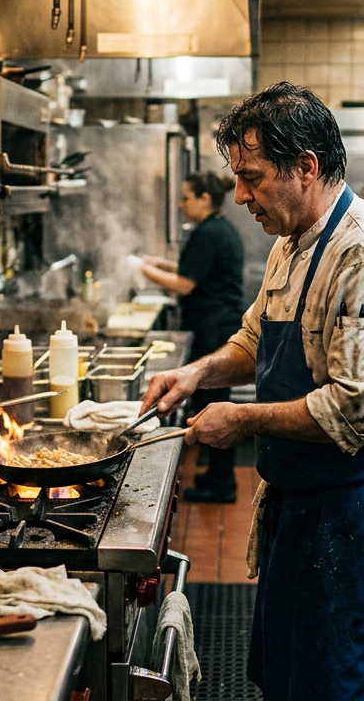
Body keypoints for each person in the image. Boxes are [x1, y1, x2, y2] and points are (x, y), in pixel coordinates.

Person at [140, 82, 364, 701]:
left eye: (252, 177)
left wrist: (243, 423)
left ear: (306, 168)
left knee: (347, 686)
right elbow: (254, 338)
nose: (240, 195)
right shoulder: (290, 244)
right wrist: (198, 374)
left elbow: (357, 409)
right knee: (294, 680)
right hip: (304, 502)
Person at [138, 173, 246, 503]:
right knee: (209, 400)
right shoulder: (217, 228)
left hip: (212, 326)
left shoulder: (209, 232)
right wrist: (159, 263)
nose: (181, 204)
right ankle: (216, 474)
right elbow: (195, 270)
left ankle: (221, 483)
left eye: (186, 197)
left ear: (203, 198)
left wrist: (141, 271)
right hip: (217, 323)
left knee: (211, 402)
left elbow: (186, 284)